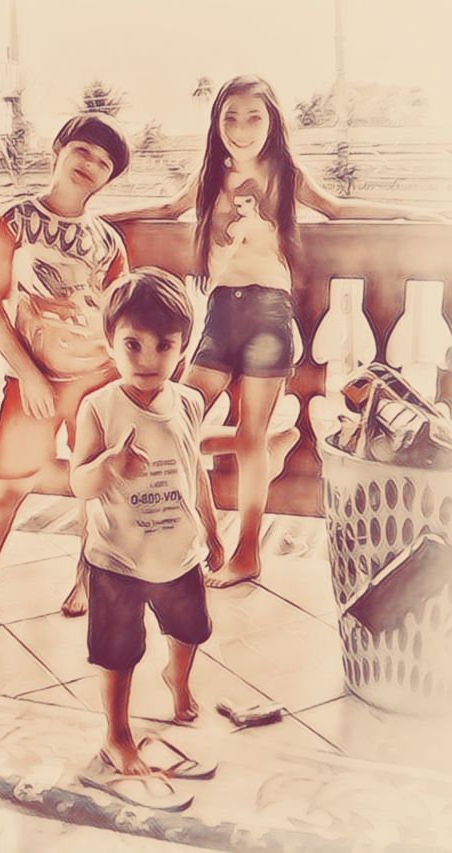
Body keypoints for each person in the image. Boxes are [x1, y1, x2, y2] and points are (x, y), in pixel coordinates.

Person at [109, 74, 443, 589]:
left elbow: (335, 208)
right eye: (231, 117)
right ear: (217, 122)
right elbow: (166, 209)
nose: (242, 128)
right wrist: (102, 216)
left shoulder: (286, 174)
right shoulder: (208, 176)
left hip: (269, 313)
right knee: (172, 421)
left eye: (254, 117)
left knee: (245, 439)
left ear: (272, 123)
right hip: (220, 314)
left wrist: (409, 211)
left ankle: (246, 552)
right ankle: (232, 501)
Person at [71, 268, 223, 774]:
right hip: (117, 558)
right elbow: (79, 482)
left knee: (191, 630)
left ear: (183, 348)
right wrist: (109, 466)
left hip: (179, 551)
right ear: (109, 342)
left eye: (164, 346)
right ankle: (117, 733)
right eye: (132, 344)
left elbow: (193, 469)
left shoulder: (190, 403)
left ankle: (177, 681)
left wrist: (212, 528)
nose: (147, 359)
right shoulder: (98, 408)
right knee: (117, 652)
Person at [0, 113, 130, 613]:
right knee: (5, 488)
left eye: (104, 162)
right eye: (83, 150)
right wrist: (27, 373)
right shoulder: (14, 221)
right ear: (59, 150)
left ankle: (86, 581)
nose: (91, 164)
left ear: (109, 178)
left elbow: (119, 315)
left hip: (98, 379)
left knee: (95, 487)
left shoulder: (107, 240)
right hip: (33, 380)